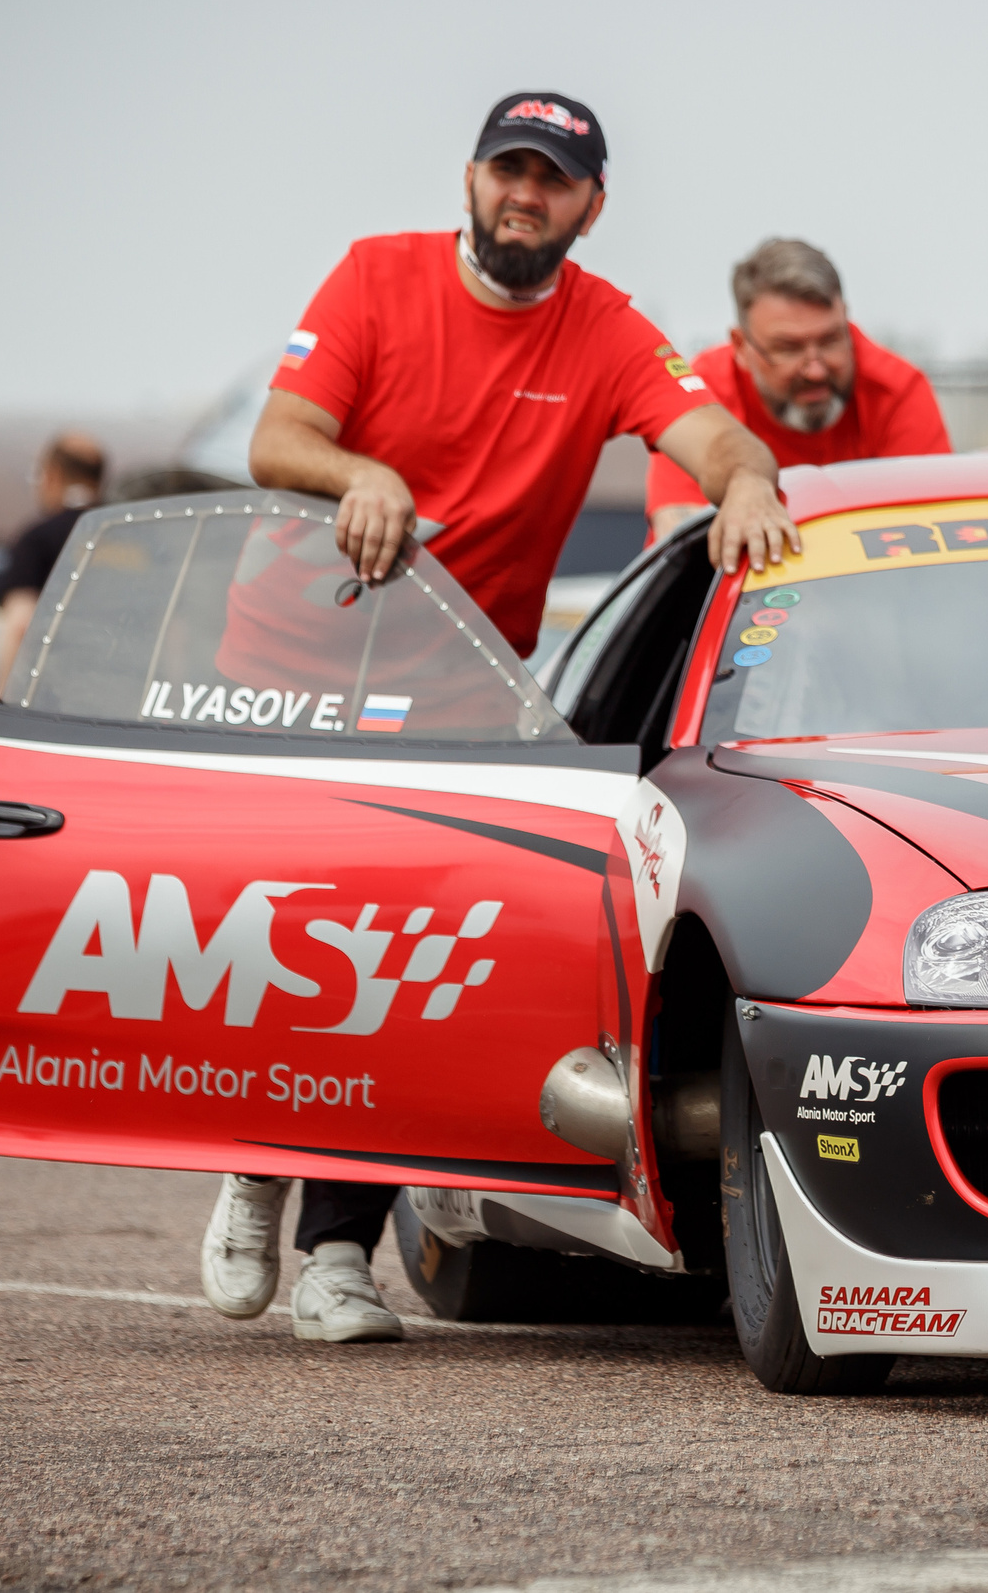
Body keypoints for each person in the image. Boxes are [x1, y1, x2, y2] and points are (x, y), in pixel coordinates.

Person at [199, 90, 798, 1346]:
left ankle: (335, 1258)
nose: (525, 193)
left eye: (553, 177)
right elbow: (277, 438)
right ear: (471, 179)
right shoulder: (375, 279)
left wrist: (743, 486)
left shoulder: (605, 328)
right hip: (293, 659)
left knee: (388, 957)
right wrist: (362, 471)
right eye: (506, 169)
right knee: (284, 941)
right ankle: (256, 1155)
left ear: (590, 204)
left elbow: (721, 438)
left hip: (451, 683)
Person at [643, 238, 949, 543]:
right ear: (741, 346)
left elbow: (934, 535)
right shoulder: (702, 398)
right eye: (789, 349)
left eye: (831, 340)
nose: (815, 370)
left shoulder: (896, 390)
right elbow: (681, 542)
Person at [0, 432, 106, 699]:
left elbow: (20, 625)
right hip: (129, 705)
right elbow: (173, 632)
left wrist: (0, 707)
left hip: (58, 702)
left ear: (52, 475)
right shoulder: (135, 537)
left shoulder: (39, 539)